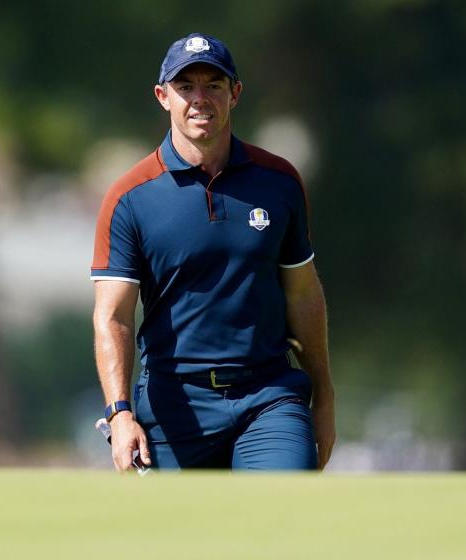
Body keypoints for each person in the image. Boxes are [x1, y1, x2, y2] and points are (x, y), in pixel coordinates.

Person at [91, 33, 335, 471]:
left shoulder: (278, 182)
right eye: (185, 87)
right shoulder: (130, 196)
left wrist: (325, 399)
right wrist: (120, 413)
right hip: (174, 403)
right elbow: (113, 317)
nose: (199, 99)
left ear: (235, 94)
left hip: (269, 397)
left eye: (214, 86)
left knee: (281, 519)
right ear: (162, 96)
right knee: (179, 538)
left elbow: (303, 295)